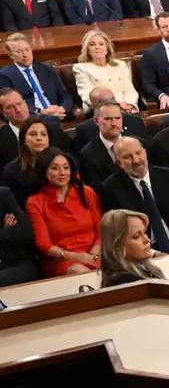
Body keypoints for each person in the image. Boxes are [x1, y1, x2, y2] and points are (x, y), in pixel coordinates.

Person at [103, 136, 169, 254]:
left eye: (138, 153)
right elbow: (119, 233)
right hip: (143, 252)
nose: (136, 160)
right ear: (119, 163)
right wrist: (152, 254)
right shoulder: (111, 189)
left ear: (145, 153)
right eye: (128, 157)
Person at [26, 148, 101, 276]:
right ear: (44, 171)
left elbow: (102, 231)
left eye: (66, 168)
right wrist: (74, 256)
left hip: (95, 252)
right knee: (80, 272)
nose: (62, 173)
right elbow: (44, 244)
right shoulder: (35, 202)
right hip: (62, 259)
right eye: (55, 168)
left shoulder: (87, 193)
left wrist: (93, 255)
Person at [0, 33, 73, 121]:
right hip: (32, 118)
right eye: (19, 52)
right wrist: (41, 112)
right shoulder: (5, 75)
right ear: (10, 55)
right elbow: (10, 106)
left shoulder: (46, 69)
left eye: (27, 50)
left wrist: (62, 109)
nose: (25, 55)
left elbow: (65, 95)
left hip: (58, 114)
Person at [0, 88, 70, 169]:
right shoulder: (2, 138)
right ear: (3, 112)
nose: (18, 110)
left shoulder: (51, 126)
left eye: (19, 103)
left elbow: (71, 157)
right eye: (10, 107)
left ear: (25, 103)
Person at [73, 30, 139, 112]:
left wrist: (128, 103)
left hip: (126, 106)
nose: (97, 47)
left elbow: (129, 90)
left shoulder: (120, 65)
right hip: (100, 108)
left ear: (107, 48)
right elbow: (86, 95)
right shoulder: (81, 68)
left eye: (101, 44)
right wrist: (116, 106)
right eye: (92, 44)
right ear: (87, 49)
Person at [98, 209, 167, 286]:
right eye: (136, 236)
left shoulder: (147, 269)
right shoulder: (126, 282)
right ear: (117, 245)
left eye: (144, 232)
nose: (147, 240)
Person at [3, 118, 59, 206]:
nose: (39, 138)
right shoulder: (12, 170)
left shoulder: (63, 161)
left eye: (43, 134)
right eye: (33, 134)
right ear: (24, 140)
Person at [76, 100, 128, 191]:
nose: (114, 123)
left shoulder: (139, 143)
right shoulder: (87, 155)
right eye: (108, 119)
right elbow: (98, 191)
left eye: (117, 118)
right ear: (96, 121)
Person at [0, 185, 38, 286]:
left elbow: (26, 230)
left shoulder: (3, 194)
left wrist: (5, 233)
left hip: (15, 262)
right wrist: (7, 231)